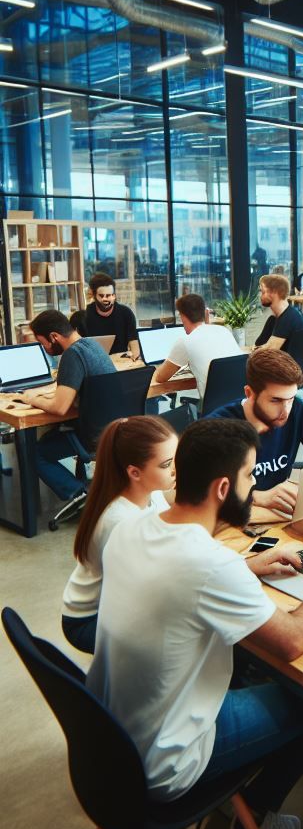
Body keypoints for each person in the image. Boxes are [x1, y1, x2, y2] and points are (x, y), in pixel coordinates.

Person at [88, 418, 303, 829]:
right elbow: (291, 641)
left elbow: (182, 579)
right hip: (166, 759)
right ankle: (252, 825)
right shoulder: (210, 565)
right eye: (250, 477)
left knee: (253, 670)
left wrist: (249, 566)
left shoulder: (134, 526)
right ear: (222, 488)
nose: (254, 488)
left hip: (109, 739)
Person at [61, 416, 177, 654]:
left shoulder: (146, 492)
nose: (177, 469)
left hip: (117, 604)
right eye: (167, 464)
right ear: (134, 472)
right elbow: (158, 583)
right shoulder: (122, 521)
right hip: (90, 620)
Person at [204, 349, 303, 521]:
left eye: (290, 398)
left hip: (276, 516)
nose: (286, 411)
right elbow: (204, 501)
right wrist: (259, 496)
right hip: (235, 519)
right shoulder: (216, 429)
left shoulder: (297, 409)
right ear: (249, 393)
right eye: (275, 400)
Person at [6, 310, 117, 501]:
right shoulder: (92, 345)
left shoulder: (72, 355)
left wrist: (30, 399)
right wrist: (48, 395)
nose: (45, 349)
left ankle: (81, 495)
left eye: (43, 343)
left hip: (93, 436)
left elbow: (60, 408)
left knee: (34, 452)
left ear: (54, 337)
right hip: (113, 428)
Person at [153, 293, 241, 404]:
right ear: (205, 313)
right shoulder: (224, 331)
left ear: (182, 317)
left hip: (215, 411)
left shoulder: (185, 341)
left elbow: (161, 378)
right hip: (240, 403)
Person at [81, 272, 140, 358]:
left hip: (121, 361)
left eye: (109, 295)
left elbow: (134, 345)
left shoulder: (126, 313)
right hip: (95, 361)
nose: (106, 299)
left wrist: (134, 356)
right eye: (101, 296)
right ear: (94, 296)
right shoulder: (85, 316)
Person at [253, 274, 303, 351]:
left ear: (274, 292)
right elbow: (258, 344)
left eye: (262, 291)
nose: (260, 295)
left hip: (284, 362)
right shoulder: (280, 317)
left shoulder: (287, 319)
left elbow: (268, 353)